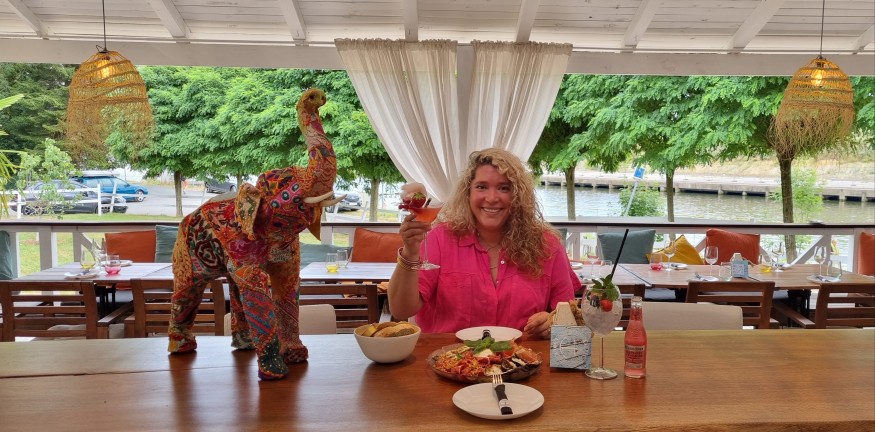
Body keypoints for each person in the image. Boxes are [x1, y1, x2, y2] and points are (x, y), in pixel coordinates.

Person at [388, 148, 579, 340]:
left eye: (504, 188)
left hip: (523, 357)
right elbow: (401, 309)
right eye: (481, 187)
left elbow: (569, 318)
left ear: (518, 196)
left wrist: (551, 322)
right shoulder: (439, 238)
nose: (492, 198)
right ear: (468, 193)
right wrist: (410, 251)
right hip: (448, 356)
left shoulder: (548, 245)